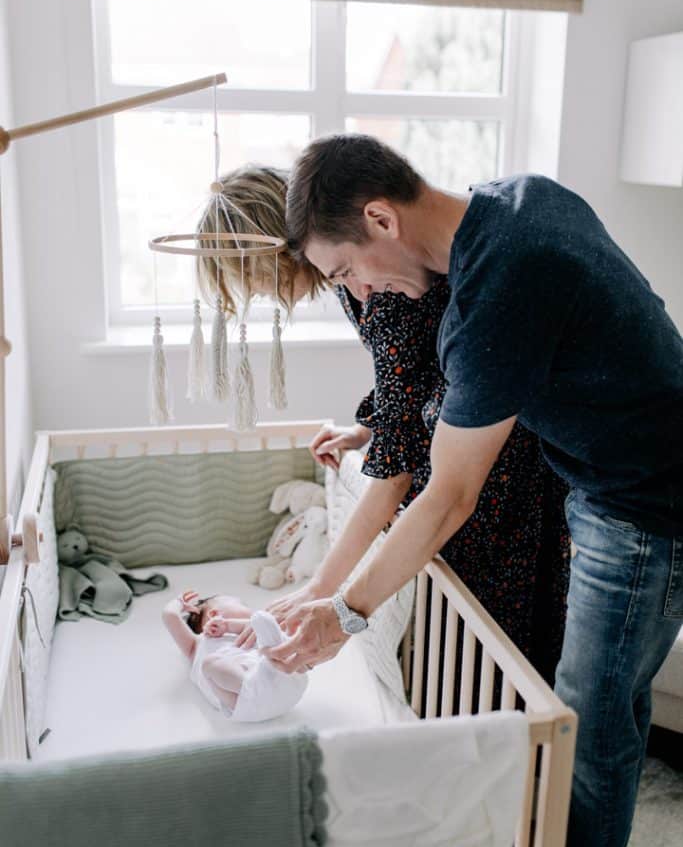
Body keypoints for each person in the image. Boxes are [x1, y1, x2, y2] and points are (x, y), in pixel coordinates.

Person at [276, 134, 683, 847]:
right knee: (616, 706)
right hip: (616, 480)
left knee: (583, 727)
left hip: (640, 507)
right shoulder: (519, 199)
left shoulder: (497, 292)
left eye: (344, 271)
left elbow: (446, 496)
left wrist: (343, 614)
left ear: (379, 219)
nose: (360, 295)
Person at [196, 166, 569, 684]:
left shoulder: (377, 287)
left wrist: (322, 589)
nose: (260, 294)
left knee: (494, 640)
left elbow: (398, 470)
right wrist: (368, 430)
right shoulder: (352, 279)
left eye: (254, 279)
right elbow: (415, 378)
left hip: (490, 456)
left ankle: (513, 744)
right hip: (465, 427)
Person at [162, 589, 307, 721]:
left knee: (264, 626)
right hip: (243, 700)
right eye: (241, 604)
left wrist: (230, 625)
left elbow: (255, 624)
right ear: (214, 613)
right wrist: (178, 603)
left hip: (280, 679)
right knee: (210, 663)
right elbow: (170, 616)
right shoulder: (196, 645)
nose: (248, 608)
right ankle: (250, 683)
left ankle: (285, 660)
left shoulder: (251, 630)